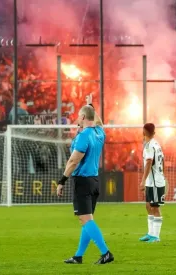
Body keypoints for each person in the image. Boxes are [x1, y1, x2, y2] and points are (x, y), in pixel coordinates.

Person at [57, 94, 114, 265]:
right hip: (95, 180)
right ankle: (78, 256)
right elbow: (98, 121)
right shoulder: (99, 132)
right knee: (87, 219)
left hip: (82, 181)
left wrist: (62, 181)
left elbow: (74, 161)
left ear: (82, 117)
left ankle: (106, 253)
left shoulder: (84, 136)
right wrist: (90, 107)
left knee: (85, 219)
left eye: (79, 115)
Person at [139, 123, 166, 243]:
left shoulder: (150, 146)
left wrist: (143, 180)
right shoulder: (156, 144)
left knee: (155, 208)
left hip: (155, 182)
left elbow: (149, 162)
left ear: (143, 132)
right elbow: (162, 161)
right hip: (153, 181)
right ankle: (150, 234)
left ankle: (156, 236)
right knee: (148, 206)